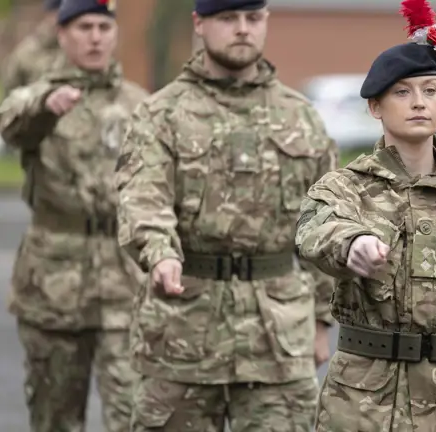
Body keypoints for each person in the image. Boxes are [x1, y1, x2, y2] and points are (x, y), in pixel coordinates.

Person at [114, 0, 337, 430]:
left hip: (277, 337)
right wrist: (160, 252)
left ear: (266, 22)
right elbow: (142, 196)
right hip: (183, 330)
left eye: (252, 18)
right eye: (227, 19)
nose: (242, 29)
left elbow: (324, 219)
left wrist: (322, 319)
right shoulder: (161, 114)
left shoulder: (300, 117)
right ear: (199, 24)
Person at [294, 0, 436, 430]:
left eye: (430, 91)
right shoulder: (345, 187)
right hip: (365, 402)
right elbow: (314, 231)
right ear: (376, 107)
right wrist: (353, 245)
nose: (419, 103)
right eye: (403, 92)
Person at [0, 0, 149, 431]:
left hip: (124, 283)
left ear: (115, 34)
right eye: (84, 26)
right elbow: (11, 124)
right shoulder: (37, 97)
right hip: (54, 285)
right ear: (62, 33)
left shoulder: (140, 104)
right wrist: (46, 104)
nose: (96, 36)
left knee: (133, 414)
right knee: (55, 417)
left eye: (104, 26)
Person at [2, 0, 65, 95]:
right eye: (58, 13)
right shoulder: (27, 52)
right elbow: (10, 90)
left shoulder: (81, 48)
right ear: (48, 14)